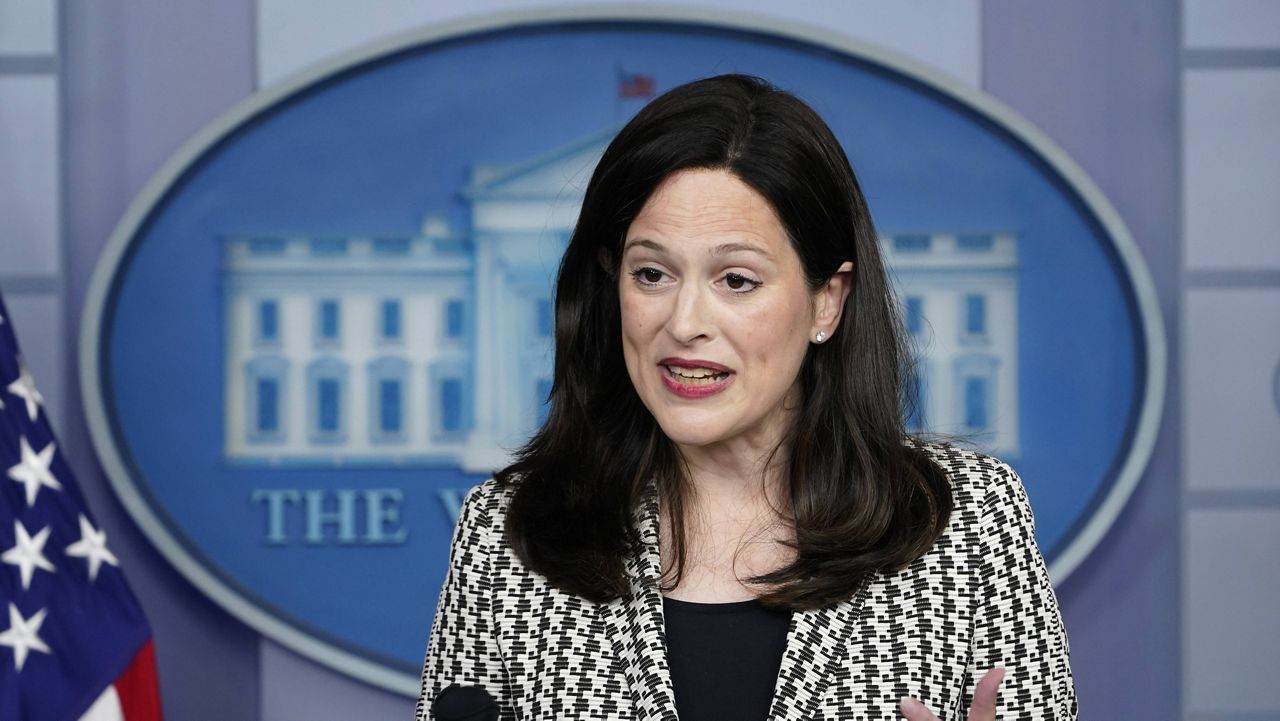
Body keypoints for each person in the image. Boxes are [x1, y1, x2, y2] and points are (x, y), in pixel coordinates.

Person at [416, 74, 1076, 720]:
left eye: (736, 279)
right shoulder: (505, 531)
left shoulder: (968, 519)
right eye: (651, 273)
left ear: (827, 300)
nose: (683, 322)